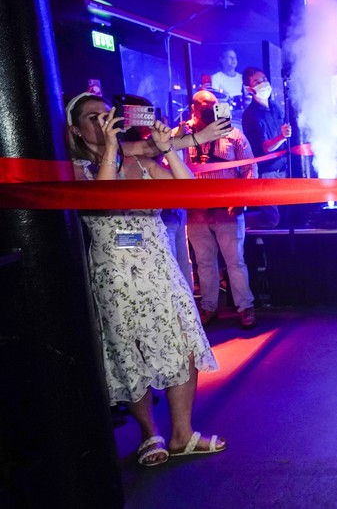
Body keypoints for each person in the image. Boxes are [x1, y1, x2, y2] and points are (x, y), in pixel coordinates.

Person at [65, 93, 226, 466]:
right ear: (75, 129)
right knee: (128, 352)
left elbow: (188, 193)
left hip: (158, 268)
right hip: (115, 277)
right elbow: (102, 204)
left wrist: (170, 151)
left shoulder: (138, 160)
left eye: (107, 115)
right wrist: (109, 150)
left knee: (181, 342)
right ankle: (148, 434)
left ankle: (183, 433)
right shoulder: (74, 171)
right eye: (93, 117)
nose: (104, 122)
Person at [186, 90, 259, 329]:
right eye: (205, 105)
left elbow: (249, 168)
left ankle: (245, 307)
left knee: (235, 262)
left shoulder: (233, 133)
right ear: (194, 108)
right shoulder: (183, 135)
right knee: (204, 263)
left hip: (228, 210)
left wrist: (241, 200)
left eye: (214, 105)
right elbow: (168, 166)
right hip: (195, 212)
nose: (210, 109)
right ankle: (208, 306)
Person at [241, 66, 290, 229]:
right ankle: (243, 224)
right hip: (266, 174)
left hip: (283, 170)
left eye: (264, 79)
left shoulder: (275, 107)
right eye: (257, 81)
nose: (263, 83)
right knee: (272, 219)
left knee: (287, 219)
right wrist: (282, 137)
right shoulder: (250, 115)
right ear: (249, 89)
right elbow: (265, 147)